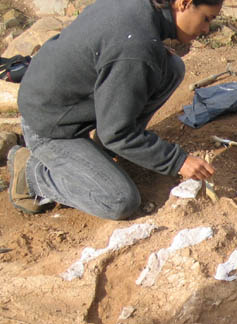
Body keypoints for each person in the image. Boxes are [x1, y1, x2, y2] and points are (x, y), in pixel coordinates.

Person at [8, 0, 223, 219]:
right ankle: (32, 174)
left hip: (66, 98)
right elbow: (116, 132)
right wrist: (177, 161)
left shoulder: (143, 9)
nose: (206, 29)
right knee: (119, 200)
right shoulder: (136, 48)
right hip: (48, 122)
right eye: (206, 18)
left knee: (170, 68)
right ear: (183, 3)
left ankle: (108, 151)